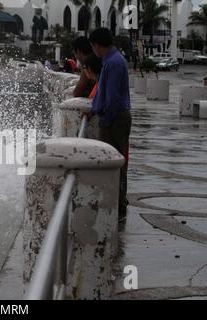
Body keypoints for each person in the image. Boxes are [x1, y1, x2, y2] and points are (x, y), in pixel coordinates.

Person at [83, 28, 132, 224]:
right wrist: (93, 110)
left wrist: (106, 120)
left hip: (116, 118)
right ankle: (118, 203)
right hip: (116, 116)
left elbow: (112, 99)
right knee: (116, 160)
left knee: (115, 162)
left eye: (92, 46)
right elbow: (104, 94)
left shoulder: (113, 63)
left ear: (96, 45)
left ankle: (118, 206)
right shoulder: (112, 60)